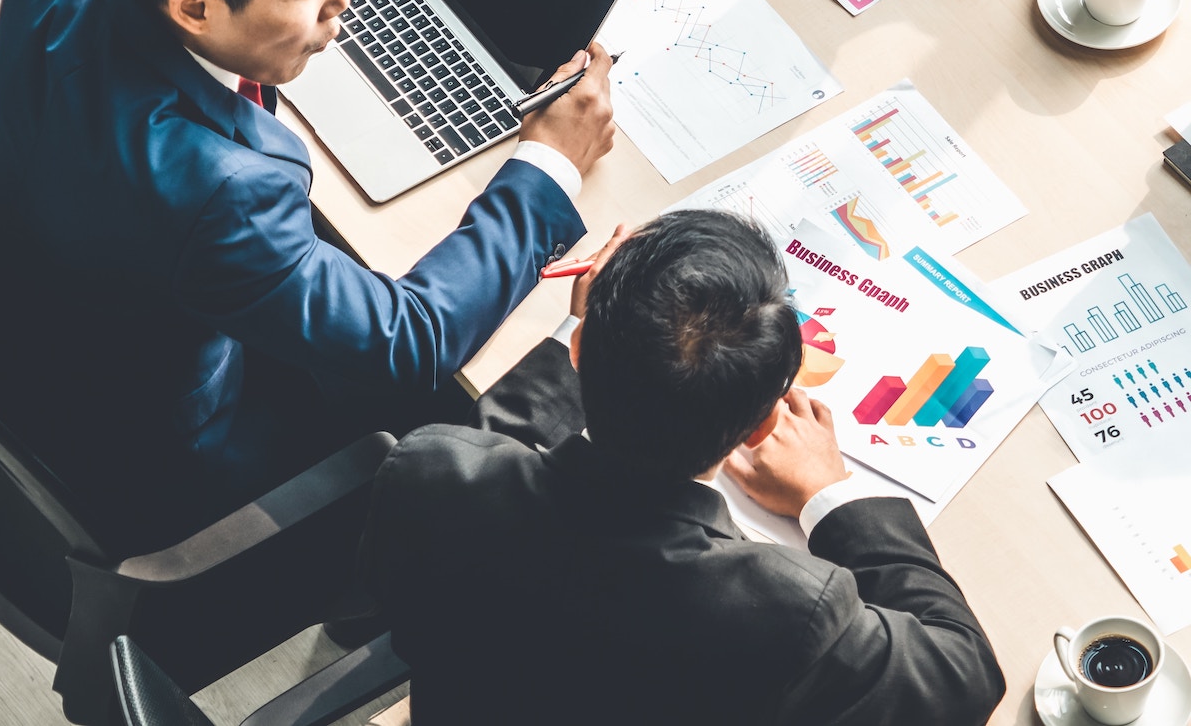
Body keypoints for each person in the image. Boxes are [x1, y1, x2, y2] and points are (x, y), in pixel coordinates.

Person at [0, 0, 614, 551]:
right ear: (195, 7)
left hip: (39, 284)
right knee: (447, 420)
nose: (344, 1)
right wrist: (549, 165)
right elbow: (408, 341)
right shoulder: (218, 196)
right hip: (156, 439)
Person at [360, 211, 1005, 726]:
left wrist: (586, 324)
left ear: (579, 347)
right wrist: (830, 497)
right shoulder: (789, 614)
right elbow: (964, 678)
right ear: (761, 426)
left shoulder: (433, 471)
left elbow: (494, 451)